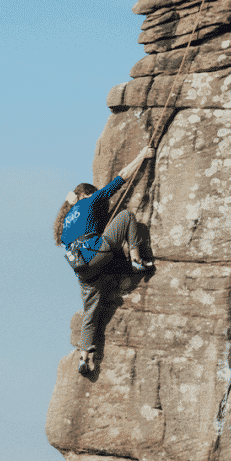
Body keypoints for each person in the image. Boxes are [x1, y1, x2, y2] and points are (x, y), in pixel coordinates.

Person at [54, 147, 155, 375]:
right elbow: (121, 178)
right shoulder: (89, 202)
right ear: (86, 195)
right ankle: (137, 260)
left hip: (82, 270)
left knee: (91, 311)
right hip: (97, 253)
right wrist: (142, 155)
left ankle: (85, 357)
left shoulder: (66, 222)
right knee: (126, 216)